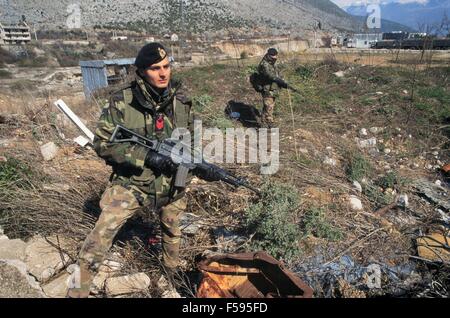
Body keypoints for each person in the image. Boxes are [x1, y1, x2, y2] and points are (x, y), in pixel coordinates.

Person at [67, 43, 217, 298]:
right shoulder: (123, 100)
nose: (163, 73)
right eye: (155, 68)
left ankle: (171, 278)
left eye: (167, 67)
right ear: (142, 71)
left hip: (171, 182)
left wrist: (199, 168)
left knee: (172, 231)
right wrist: (146, 156)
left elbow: (191, 143)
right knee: (101, 233)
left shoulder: (181, 102)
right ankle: (76, 292)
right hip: (133, 182)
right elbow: (102, 144)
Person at [256, 48, 290, 128]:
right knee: (269, 105)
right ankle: (269, 124)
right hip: (266, 88)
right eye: (273, 56)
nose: (275, 57)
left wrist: (282, 79)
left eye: (276, 55)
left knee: (268, 105)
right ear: (269, 55)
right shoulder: (264, 64)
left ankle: (263, 122)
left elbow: (277, 73)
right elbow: (270, 76)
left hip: (272, 88)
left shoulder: (271, 62)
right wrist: (281, 81)